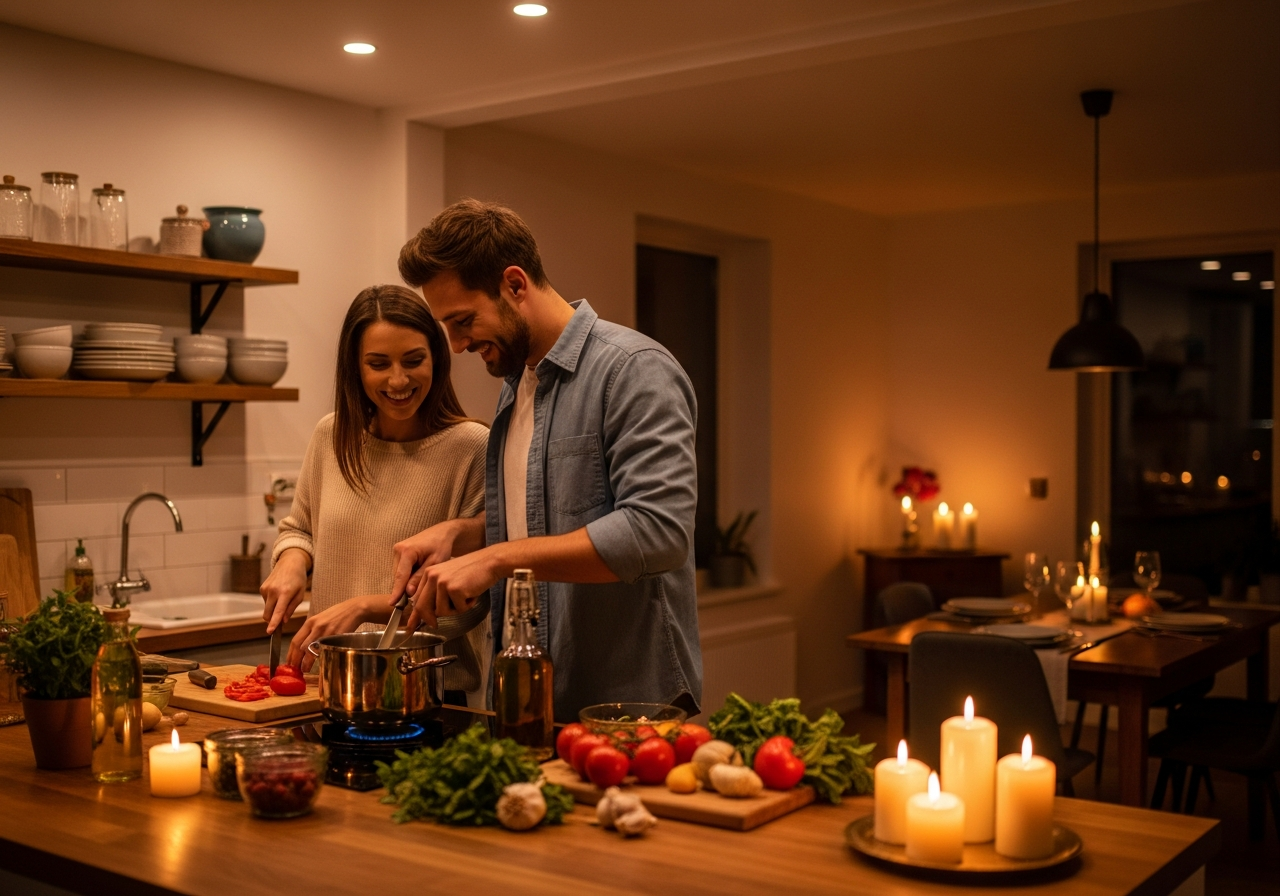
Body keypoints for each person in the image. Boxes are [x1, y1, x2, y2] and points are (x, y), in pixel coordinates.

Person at [390, 199, 702, 720]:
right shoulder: (520, 385)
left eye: (463, 321)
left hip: (626, 703)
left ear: (515, 284)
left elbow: (658, 531)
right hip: (532, 697)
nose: (458, 344)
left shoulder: (634, 371)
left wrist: (493, 560)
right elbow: (550, 514)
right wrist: (464, 535)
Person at [261, 284, 489, 704]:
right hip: (333, 688)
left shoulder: (471, 447)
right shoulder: (332, 436)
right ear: (356, 368)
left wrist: (363, 608)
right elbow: (299, 529)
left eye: (414, 361)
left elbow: (466, 606)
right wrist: (292, 561)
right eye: (378, 364)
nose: (398, 380)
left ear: (437, 359)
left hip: (424, 697)